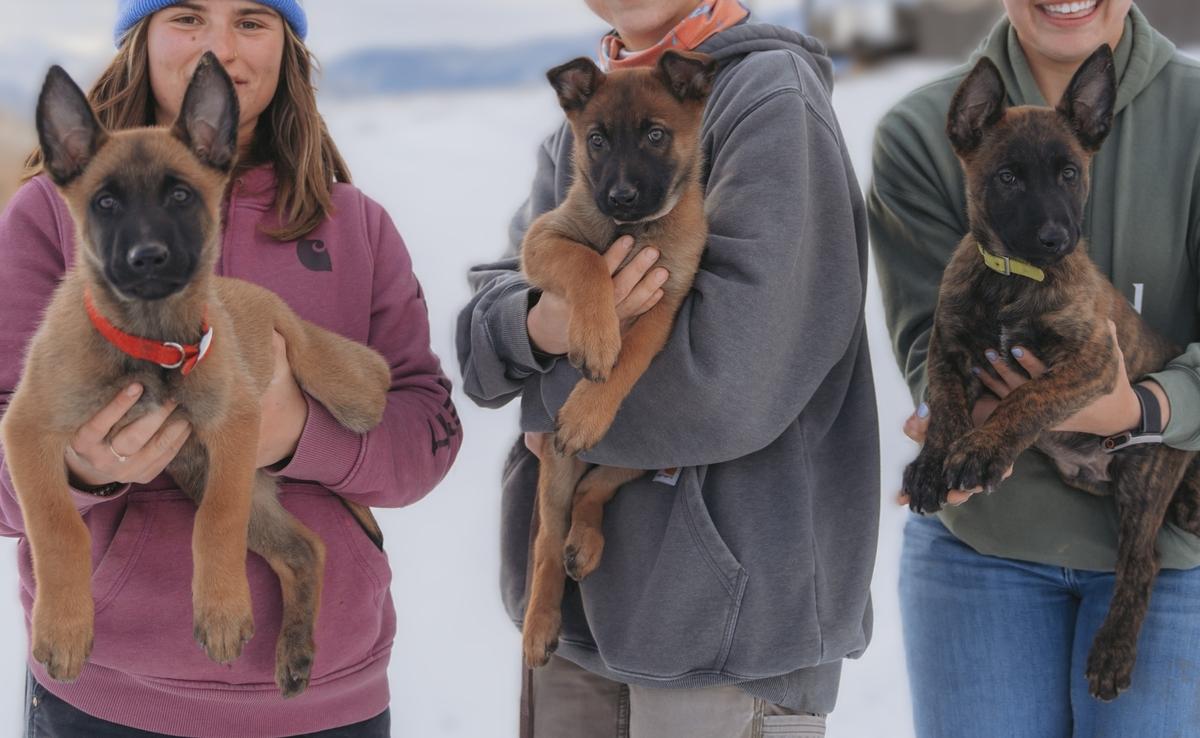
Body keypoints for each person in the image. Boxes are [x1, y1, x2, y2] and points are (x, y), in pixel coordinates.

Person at [0, 1, 462, 735]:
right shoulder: (44, 216)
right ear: (140, 38)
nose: (219, 47)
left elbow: (428, 434)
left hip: (330, 699)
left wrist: (301, 434)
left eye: (251, 20)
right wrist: (81, 471)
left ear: (288, 47)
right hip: (109, 696)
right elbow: (15, 438)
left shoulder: (359, 225)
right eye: (186, 16)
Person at [456, 1, 878, 736]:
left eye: (654, 137)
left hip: (727, 637)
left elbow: (732, 382)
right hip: (579, 627)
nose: (621, 178)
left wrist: (550, 396)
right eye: (602, 145)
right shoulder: (587, 118)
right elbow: (487, 335)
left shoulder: (768, 95)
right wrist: (540, 324)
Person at [869, 1, 1200, 735]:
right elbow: (932, 343)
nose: (1052, 221)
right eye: (1013, 181)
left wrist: (1143, 409)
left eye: (1065, 177)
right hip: (982, 548)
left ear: (1094, 127)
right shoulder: (919, 131)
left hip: (1168, 546)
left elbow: (1097, 369)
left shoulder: (1190, 117)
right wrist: (951, 429)